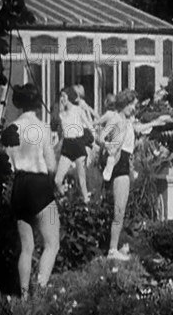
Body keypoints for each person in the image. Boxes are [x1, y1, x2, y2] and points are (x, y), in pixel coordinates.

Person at [5, 84, 60, 299]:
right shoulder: (41, 128)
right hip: (39, 186)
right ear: (37, 104)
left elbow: (8, 163)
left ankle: (24, 296)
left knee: (26, 247)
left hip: (19, 186)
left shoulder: (12, 129)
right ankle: (41, 288)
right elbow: (52, 165)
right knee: (52, 242)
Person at [100, 90, 140, 261]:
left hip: (124, 161)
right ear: (125, 103)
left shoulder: (126, 121)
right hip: (119, 163)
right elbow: (101, 137)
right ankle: (112, 249)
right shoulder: (116, 118)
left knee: (120, 209)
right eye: (132, 105)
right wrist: (109, 146)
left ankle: (113, 247)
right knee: (119, 209)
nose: (134, 108)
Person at [54, 87, 94, 203]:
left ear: (69, 97)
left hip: (78, 144)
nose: (62, 99)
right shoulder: (61, 113)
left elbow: (89, 125)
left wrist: (94, 143)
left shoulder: (77, 110)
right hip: (67, 145)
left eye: (64, 96)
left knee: (82, 181)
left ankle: (87, 205)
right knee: (57, 180)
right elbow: (61, 134)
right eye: (61, 96)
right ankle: (66, 200)